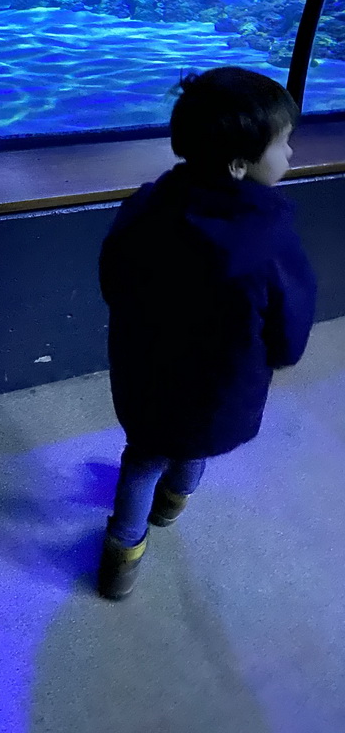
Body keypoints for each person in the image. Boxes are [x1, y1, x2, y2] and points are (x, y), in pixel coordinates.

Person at [97, 66, 317, 600]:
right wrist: (286, 353)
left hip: (145, 372)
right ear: (240, 166)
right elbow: (291, 313)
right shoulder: (267, 241)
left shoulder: (147, 204)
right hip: (220, 386)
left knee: (143, 454)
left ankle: (122, 557)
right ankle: (173, 503)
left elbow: (113, 276)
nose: (290, 154)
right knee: (193, 444)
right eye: (284, 145)